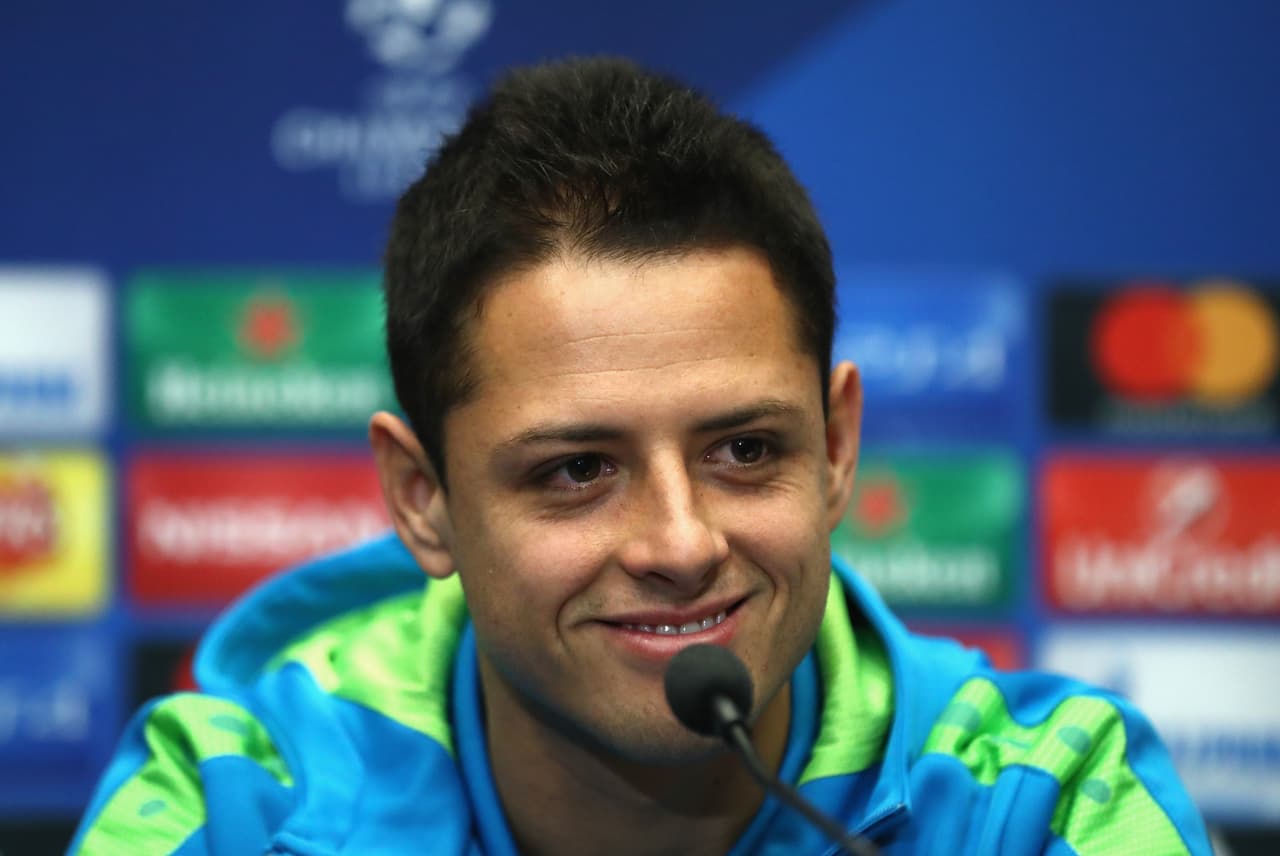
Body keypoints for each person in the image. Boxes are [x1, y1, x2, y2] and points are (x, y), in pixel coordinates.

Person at [71, 57, 1210, 855]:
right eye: (576, 470)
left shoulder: (1047, 804)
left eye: (745, 449)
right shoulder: (230, 809)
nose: (681, 543)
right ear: (423, 500)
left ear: (835, 449)